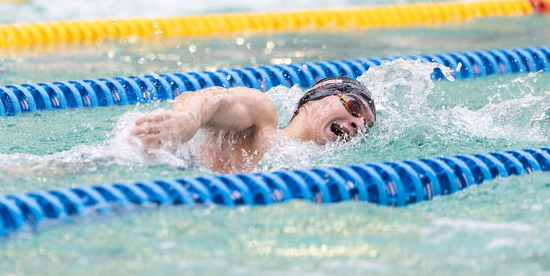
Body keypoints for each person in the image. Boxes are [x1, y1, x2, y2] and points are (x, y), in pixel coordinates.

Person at [132, 76, 376, 173]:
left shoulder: (317, 170)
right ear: (312, 99)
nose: (357, 123)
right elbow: (212, 100)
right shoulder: (263, 116)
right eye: (354, 107)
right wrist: (187, 121)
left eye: (365, 125)